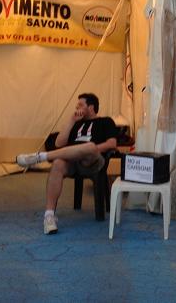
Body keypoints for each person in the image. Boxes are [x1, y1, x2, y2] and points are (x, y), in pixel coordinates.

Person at [16, 93, 118, 235]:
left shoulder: (106, 121)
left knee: (89, 147)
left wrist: (92, 149)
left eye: (80, 105)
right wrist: (71, 121)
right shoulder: (76, 123)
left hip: (93, 161)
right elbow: (58, 143)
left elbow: (112, 144)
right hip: (73, 162)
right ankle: (49, 216)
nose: (77, 107)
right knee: (58, 163)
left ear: (91, 107)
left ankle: (41, 157)